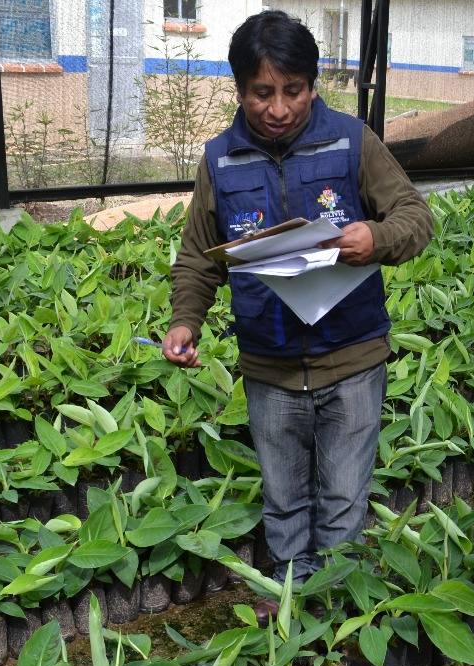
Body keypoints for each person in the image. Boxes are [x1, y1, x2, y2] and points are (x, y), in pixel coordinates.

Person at [164, 10, 434, 622]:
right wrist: (186, 322)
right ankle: (293, 618)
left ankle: (335, 621)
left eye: (293, 90)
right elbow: (198, 259)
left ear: (313, 86)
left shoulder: (352, 142)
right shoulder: (221, 162)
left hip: (354, 358)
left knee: (342, 502)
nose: (278, 107)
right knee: (284, 504)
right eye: (262, 92)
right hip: (270, 365)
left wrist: (375, 238)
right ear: (240, 90)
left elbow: (416, 218)